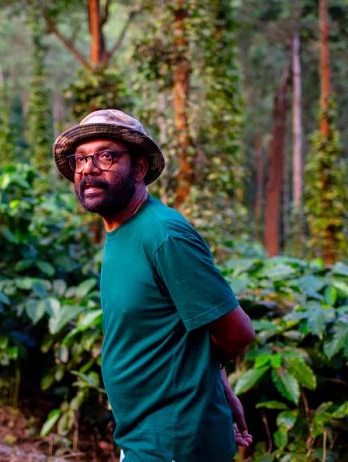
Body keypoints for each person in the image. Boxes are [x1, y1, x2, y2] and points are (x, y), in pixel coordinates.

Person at [52, 109, 255, 462]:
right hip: (144, 435)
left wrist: (203, 385)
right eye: (81, 158)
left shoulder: (163, 235)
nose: (88, 169)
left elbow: (237, 332)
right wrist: (219, 383)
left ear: (140, 168)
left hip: (174, 442)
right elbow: (183, 329)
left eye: (106, 155)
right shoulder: (120, 228)